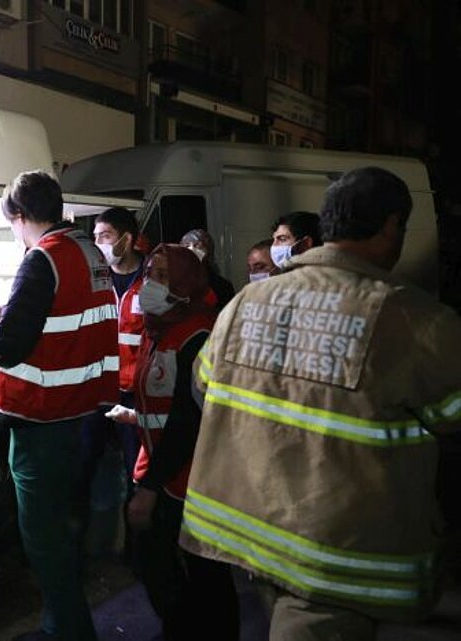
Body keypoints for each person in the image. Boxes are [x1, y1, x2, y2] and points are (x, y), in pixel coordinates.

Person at [180, 167, 461, 639]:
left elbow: (203, 388)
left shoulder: (246, 304)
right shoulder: (415, 319)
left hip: (251, 538)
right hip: (338, 560)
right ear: (391, 226)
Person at [0, 170, 119, 641]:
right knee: (59, 524)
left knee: (42, 536)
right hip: (76, 408)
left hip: (40, 414)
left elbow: (8, 345)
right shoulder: (87, 251)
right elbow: (59, 312)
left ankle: (68, 628)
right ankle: (61, 619)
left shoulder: (40, 258)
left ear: (20, 216)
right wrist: (4, 308)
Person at [105, 244, 239, 641]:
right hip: (162, 467)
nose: (149, 284)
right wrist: (135, 419)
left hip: (195, 477)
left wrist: (147, 488)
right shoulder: (159, 328)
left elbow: (187, 418)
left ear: (184, 284)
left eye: (162, 276)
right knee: (159, 566)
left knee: (207, 574)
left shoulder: (198, 336)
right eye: (150, 273)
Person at [82, 207, 145, 556]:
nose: (98, 244)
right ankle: (85, 545)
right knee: (85, 465)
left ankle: (136, 552)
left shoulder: (154, 278)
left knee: (136, 472)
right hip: (98, 392)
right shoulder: (95, 277)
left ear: (126, 239)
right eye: (95, 237)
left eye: (104, 236)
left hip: (136, 396)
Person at [180, 228, 235, 311]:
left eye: (197, 246)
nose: (191, 249)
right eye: (187, 246)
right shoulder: (174, 283)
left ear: (209, 251)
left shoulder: (223, 286)